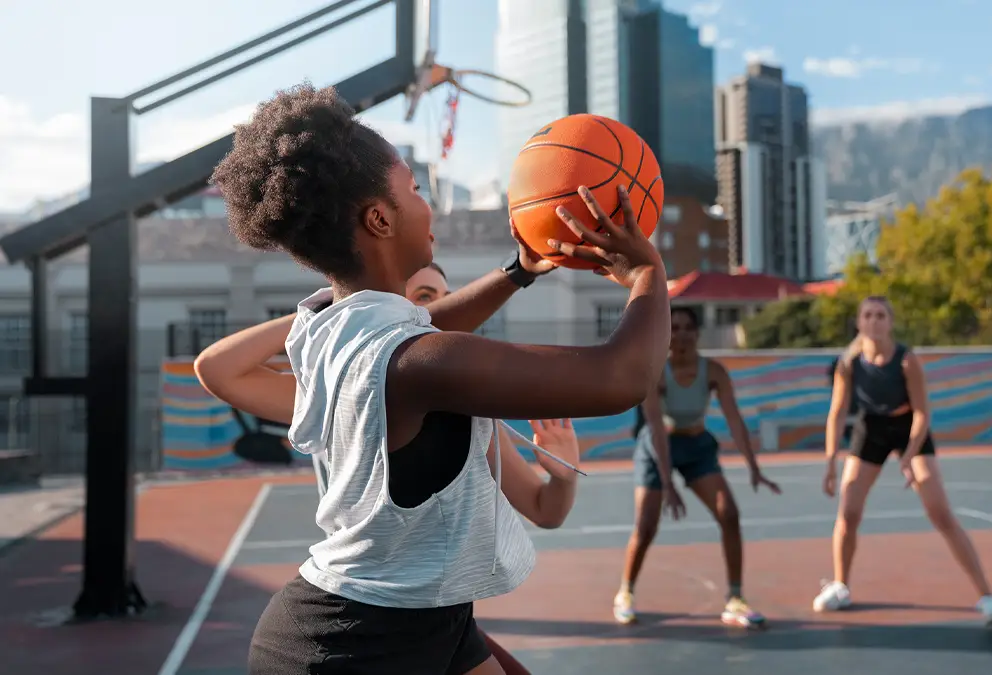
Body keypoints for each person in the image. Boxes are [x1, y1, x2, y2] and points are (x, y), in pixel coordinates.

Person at [208, 82, 672, 675]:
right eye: (416, 190)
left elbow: (421, 322)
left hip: (415, 616)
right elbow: (621, 378)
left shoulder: (328, 332)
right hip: (355, 648)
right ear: (379, 217)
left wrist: (520, 270)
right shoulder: (416, 362)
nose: (429, 206)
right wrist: (647, 274)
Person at [196, 260, 563, 675]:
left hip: (436, 611)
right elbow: (217, 368)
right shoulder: (340, 395)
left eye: (446, 299)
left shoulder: (470, 411)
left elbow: (546, 509)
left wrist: (562, 473)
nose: (438, 313)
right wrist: (334, 313)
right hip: (357, 623)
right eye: (423, 299)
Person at [814, 295, 992, 626]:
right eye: (867, 316)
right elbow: (836, 413)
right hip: (871, 428)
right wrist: (831, 461)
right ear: (859, 323)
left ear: (890, 322)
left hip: (909, 429)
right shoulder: (847, 363)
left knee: (940, 513)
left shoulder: (906, 361)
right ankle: (840, 585)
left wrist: (908, 456)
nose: (874, 321)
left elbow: (922, 414)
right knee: (848, 512)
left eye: (880, 315)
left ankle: (988, 596)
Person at [614, 307, 781, 628]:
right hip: (657, 448)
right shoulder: (656, 372)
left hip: (697, 447)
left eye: (688, 327)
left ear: (697, 333)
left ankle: (735, 598)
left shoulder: (714, 371)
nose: (681, 334)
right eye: (674, 328)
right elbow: (656, 429)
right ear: (665, 334)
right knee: (647, 525)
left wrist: (754, 467)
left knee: (729, 514)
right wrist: (668, 483)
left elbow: (734, 419)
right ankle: (625, 592)